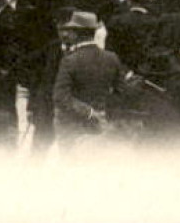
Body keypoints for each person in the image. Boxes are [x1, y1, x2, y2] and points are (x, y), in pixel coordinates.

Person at [52, 10, 125, 144]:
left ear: (75, 34)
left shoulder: (70, 60)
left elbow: (60, 97)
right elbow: (120, 92)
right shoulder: (111, 58)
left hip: (73, 126)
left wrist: (90, 113)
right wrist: (103, 113)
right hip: (102, 124)